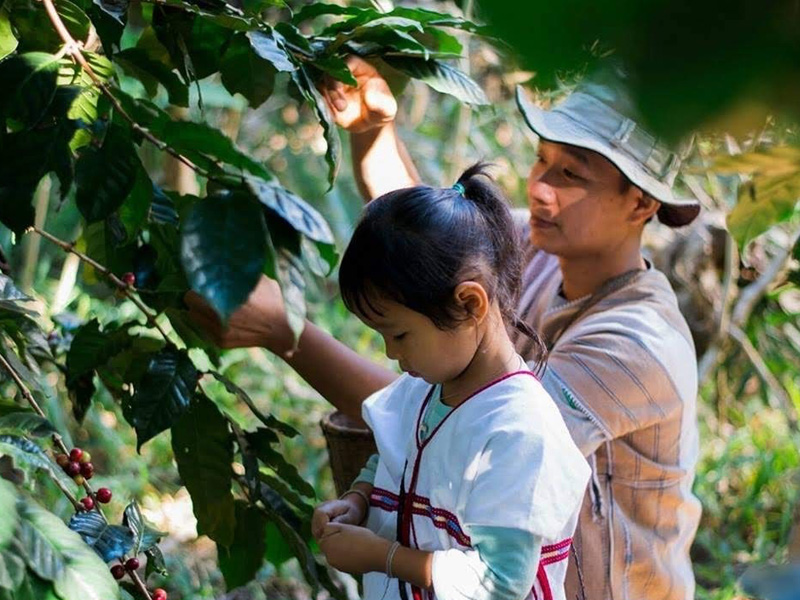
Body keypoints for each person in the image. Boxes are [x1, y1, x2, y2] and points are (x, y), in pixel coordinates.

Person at [186, 58, 702, 600]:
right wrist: (373, 133)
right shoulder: (536, 249)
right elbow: (431, 254)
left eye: (571, 175)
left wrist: (287, 334)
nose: (541, 187)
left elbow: (464, 419)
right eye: (541, 160)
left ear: (641, 202)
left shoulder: (635, 344)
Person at [310, 163, 590, 600]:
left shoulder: (519, 430)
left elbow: (501, 582)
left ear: (469, 304)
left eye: (400, 335)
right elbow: (393, 457)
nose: (390, 353)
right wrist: (359, 500)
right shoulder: (422, 389)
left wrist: (383, 556)